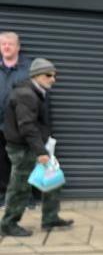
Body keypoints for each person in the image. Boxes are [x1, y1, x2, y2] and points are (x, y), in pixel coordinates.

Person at [1, 58, 73, 237]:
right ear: (36, 76)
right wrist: (41, 152)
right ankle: (8, 224)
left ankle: (50, 218)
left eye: (54, 75)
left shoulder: (38, 91)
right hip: (24, 148)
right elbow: (27, 126)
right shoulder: (26, 94)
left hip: (36, 145)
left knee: (53, 179)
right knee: (20, 187)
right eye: (48, 75)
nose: (53, 79)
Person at [0, 32, 32, 203]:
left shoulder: (29, 69)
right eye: (3, 43)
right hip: (0, 125)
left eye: (10, 43)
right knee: (1, 164)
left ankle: (25, 198)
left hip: (21, 125)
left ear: (18, 47)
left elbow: (41, 98)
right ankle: (4, 196)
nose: (6, 46)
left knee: (22, 164)